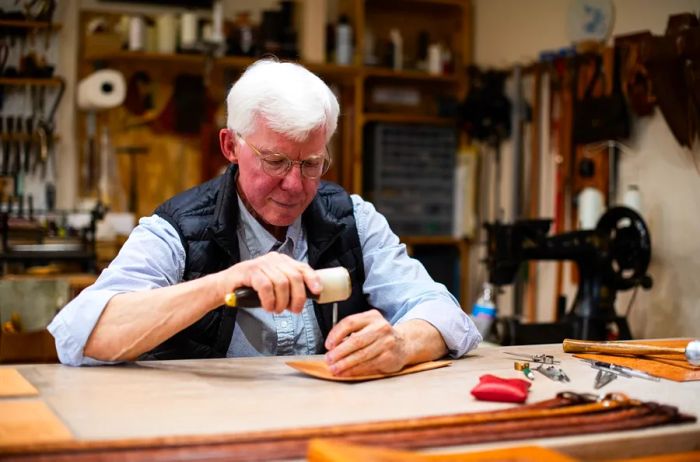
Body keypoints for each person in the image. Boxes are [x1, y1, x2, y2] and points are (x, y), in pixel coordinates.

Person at [48, 59, 481, 376]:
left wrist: (401, 343)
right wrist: (223, 284)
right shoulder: (178, 230)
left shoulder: (353, 220)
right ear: (230, 146)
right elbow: (81, 336)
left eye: (311, 164)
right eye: (274, 161)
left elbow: (446, 315)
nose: (294, 185)